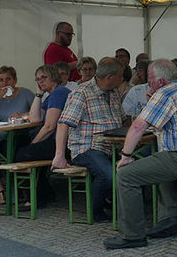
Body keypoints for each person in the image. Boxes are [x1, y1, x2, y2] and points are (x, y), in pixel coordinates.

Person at [103, 59, 177, 250]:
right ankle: (169, 220)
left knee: (126, 174)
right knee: (157, 164)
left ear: (161, 81)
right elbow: (158, 122)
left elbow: (139, 125)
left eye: (150, 80)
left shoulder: (165, 93)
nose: (148, 84)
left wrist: (125, 156)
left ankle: (132, 235)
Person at [52, 57, 125, 222]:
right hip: (87, 148)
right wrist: (59, 155)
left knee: (135, 167)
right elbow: (63, 124)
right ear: (110, 77)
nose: (122, 80)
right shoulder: (81, 93)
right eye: (120, 76)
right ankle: (96, 211)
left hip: (114, 147)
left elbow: (124, 119)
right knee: (109, 175)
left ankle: (117, 206)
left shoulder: (114, 93)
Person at [13, 65, 72, 205]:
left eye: (44, 77)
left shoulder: (59, 93)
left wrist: (34, 143)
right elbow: (35, 119)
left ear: (53, 76)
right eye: (38, 79)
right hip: (55, 141)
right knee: (20, 148)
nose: (40, 81)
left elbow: (49, 127)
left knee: (22, 154)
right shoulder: (50, 95)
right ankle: (42, 194)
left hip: (63, 143)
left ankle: (37, 197)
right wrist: (38, 94)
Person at [0, 66, 36, 200]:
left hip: (19, 134)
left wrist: (22, 115)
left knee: (13, 151)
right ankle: (0, 190)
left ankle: (20, 191)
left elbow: (38, 112)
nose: (5, 83)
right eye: (1, 80)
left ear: (14, 80)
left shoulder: (25, 93)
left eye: (8, 79)